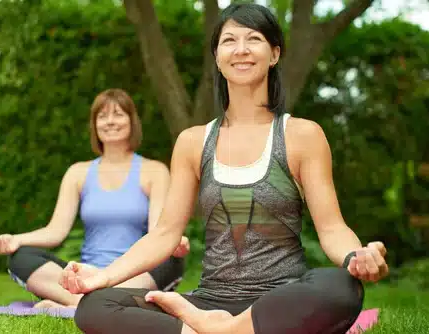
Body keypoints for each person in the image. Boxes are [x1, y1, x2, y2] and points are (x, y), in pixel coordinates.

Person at [60, 4, 389, 333]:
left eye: (254, 39)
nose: (241, 50)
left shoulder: (302, 135)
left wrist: (356, 257)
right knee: (96, 305)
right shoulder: (193, 142)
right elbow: (164, 234)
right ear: (217, 55)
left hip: (280, 299)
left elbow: (331, 229)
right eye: (229, 40)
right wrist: (102, 277)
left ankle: (218, 330)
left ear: (274, 54)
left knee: (341, 285)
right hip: (211, 299)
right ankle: (210, 328)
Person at [0, 88, 190, 308]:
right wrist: (17, 240)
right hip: (85, 275)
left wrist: (175, 244)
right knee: (21, 257)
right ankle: (89, 301)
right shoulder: (78, 173)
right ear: (95, 126)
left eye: (118, 114)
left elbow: (157, 233)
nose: (110, 122)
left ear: (132, 121)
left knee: (170, 261)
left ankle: (79, 304)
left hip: (133, 272)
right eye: (102, 116)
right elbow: (56, 231)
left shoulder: (154, 171)